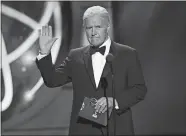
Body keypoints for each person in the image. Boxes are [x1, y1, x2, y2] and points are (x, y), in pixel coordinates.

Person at [36, 6, 147, 135]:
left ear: (107, 27)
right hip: (84, 130)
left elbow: (139, 89)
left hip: (117, 129)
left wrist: (114, 101)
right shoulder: (75, 56)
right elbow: (51, 80)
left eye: (98, 27)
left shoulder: (127, 54)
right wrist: (44, 53)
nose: (93, 32)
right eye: (89, 28)